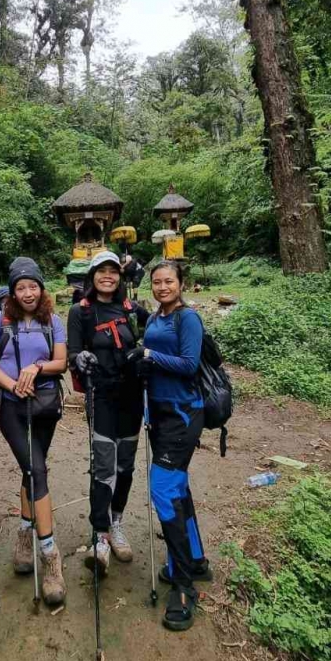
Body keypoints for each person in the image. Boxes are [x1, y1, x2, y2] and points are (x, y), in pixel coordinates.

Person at [0, 257, 68, 605]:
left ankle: (24, 529)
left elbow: (61, 361)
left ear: (41, 288)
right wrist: (13, 384)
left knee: (30, 470)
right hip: (12, 407)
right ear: (12, 292)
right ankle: (49, 554)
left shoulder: (53, 321)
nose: (28, 293)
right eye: (21, 287)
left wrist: (36, 367)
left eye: (33, 286)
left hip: (46, 405)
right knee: (36, 469)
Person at [139, 260, 210, 632]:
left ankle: (183, 585)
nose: (163, 286)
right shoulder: (154, 319)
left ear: (182, 283)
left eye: (169, 281)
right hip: (161, 415)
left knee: (163, 489)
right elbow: (155, 367)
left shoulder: (188, 319)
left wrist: (150, 356)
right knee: (178, 487)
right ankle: (195, 559)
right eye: (157, 281)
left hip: (184, 413)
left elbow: (188, 364)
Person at [67, 250, 149, 576]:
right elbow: (72, 352)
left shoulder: (131, 310)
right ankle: (99, 536)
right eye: (101, 271)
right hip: (100, 396)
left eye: (113, 271)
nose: (107, 276)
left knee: (125, 466)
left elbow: (157, 327)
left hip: (131, 396)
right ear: (92, 276)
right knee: (103, 467)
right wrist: (80, 358)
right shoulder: (81, 312)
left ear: (120, 277)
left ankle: (117, 522)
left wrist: (146, 355)